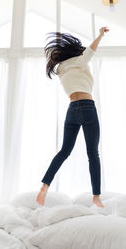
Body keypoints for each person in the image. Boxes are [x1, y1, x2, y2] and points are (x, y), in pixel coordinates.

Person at [36, 27, 109, 208]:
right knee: (93, 154)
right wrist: (100, 34)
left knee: (64, 151)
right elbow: (92, 49)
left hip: (71, 110)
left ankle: (45, 185)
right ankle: (96, 197)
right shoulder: (80, 61)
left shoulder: (61, 68)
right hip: (87, 107)